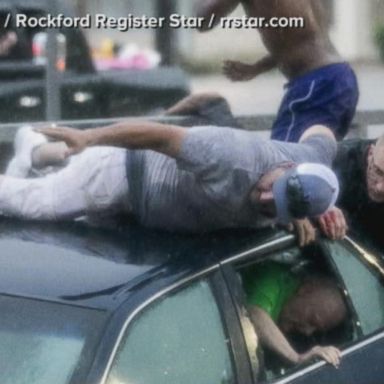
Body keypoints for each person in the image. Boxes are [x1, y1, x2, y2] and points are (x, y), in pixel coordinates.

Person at [1, 121, 338, 235]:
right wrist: (89, 136)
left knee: (62, 163)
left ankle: (32, 149)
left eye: (275, 207)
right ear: (286, 167)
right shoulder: (231, 155)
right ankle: (35, 151)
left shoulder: (311, 161)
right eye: (272, 190)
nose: (265, 200)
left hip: (141, 212)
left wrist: (313, 206)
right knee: (38, 205)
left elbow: (324, 134)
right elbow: (157, 134)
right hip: (123, 175)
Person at [196, 0, 359, 142]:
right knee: (320, 163)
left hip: (315, 86)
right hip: (341, 77)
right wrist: (256, 68)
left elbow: (202, 21)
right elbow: (298, 41)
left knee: (282, 164)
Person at [242, 262, 346, 367]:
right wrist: (297, 358)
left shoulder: (296, 331)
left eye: (316, 330)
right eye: (312, 320)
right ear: (306, 289)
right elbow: (255, 314)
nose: (307, 332)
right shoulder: (272, 278)